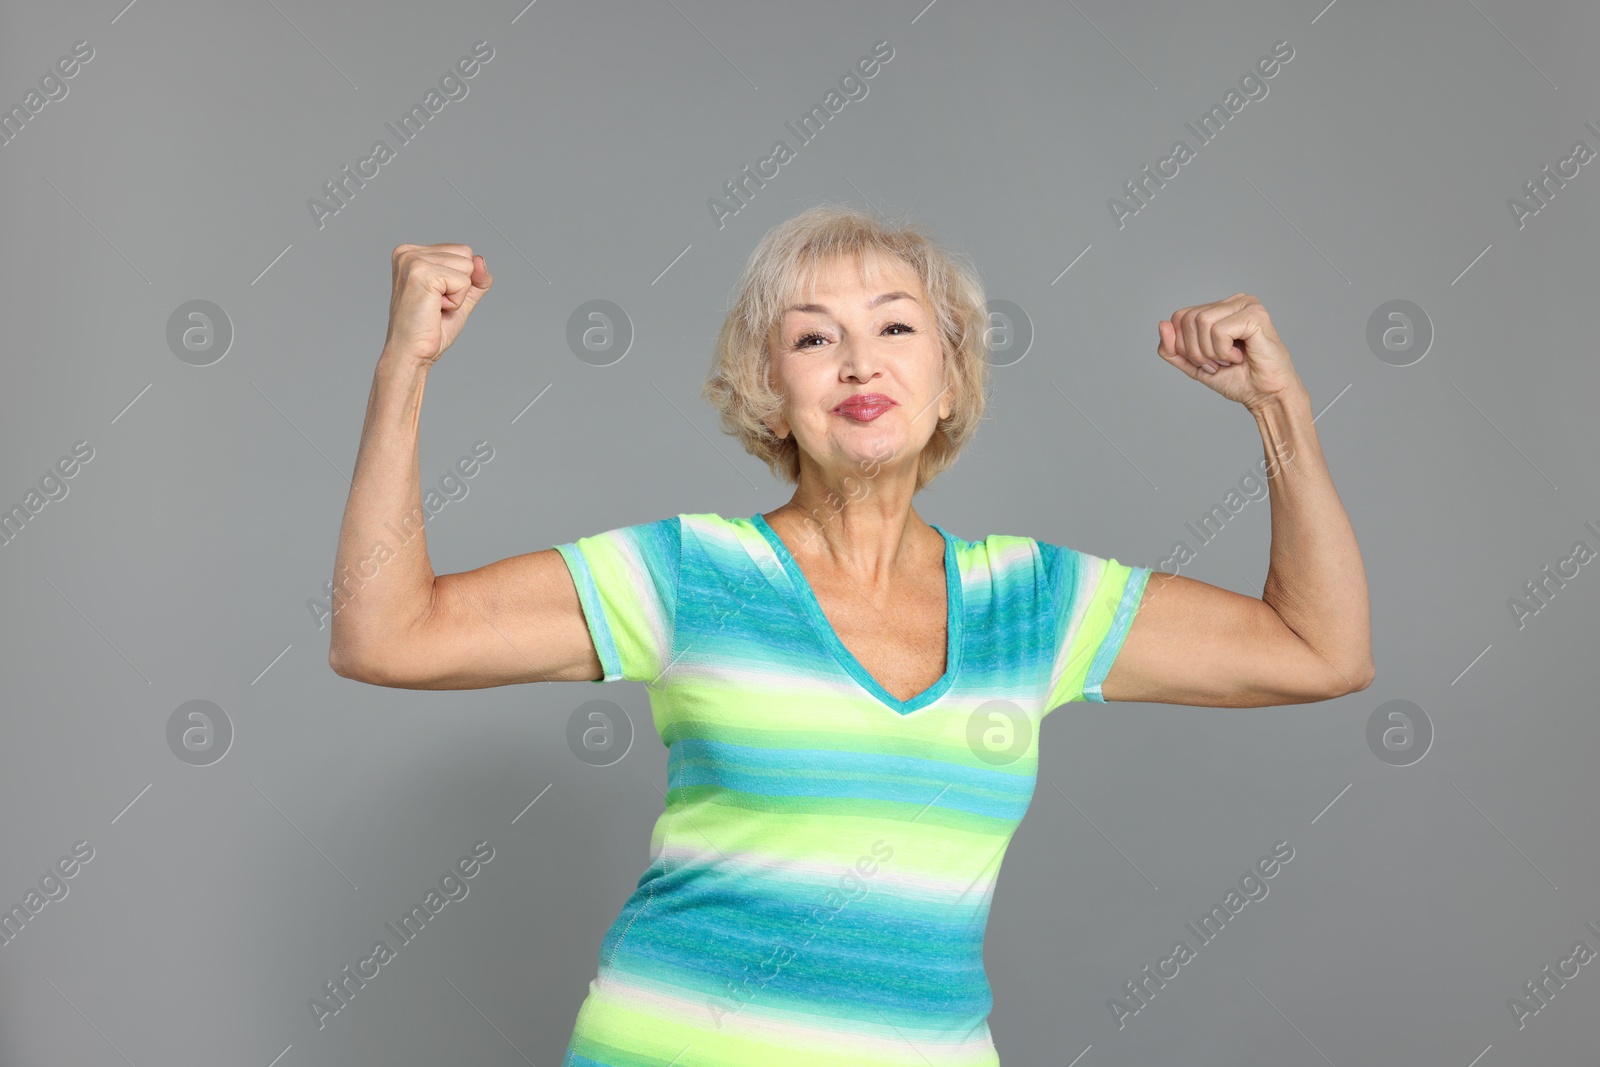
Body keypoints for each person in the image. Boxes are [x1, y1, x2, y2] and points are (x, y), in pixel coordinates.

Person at [327, 203, 1373, 1066]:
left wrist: (1277, 407)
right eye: (813, 336)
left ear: (951, 378)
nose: (858, 360)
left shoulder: (1035, 602)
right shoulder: (691, 572)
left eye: (896, 326)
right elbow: (387, 632)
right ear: (771, 394)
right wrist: (403, 366)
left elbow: (1318, 648)